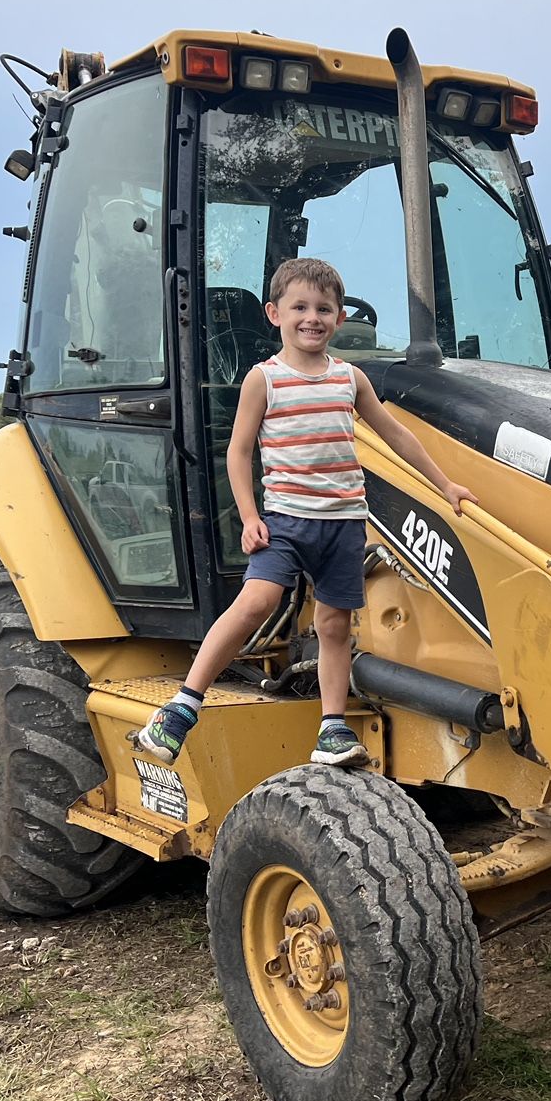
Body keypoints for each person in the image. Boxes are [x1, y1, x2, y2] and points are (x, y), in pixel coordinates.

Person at [138, 257, 473, 767]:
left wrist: (445, 485)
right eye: (299, 307)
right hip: (286, 521)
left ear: (339, 318)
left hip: (343, 524)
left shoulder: (350, 378)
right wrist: (250, 517)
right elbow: (238, 452)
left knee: (334, 625)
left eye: (323, 308)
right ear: (275, 314)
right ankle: (182, 707)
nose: (311, 317)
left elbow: (396, 434)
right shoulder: (264, 379)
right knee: (256, 602)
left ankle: (332, 729)